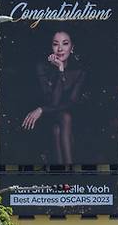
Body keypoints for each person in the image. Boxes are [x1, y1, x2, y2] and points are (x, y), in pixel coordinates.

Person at [21, 30, 86, 165]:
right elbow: (53, 101)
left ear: (72, 48)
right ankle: (69, 172)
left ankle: (65, 174)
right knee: (60, 122)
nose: (60, 49)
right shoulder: (42, 68)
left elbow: (72, 103)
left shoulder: (79, 71)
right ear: (51, 47)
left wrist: (41, 110)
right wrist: (58, 71)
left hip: (71, 118)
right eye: (56, 44)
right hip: (46, 119)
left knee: (61, 125)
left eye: (65, 43)